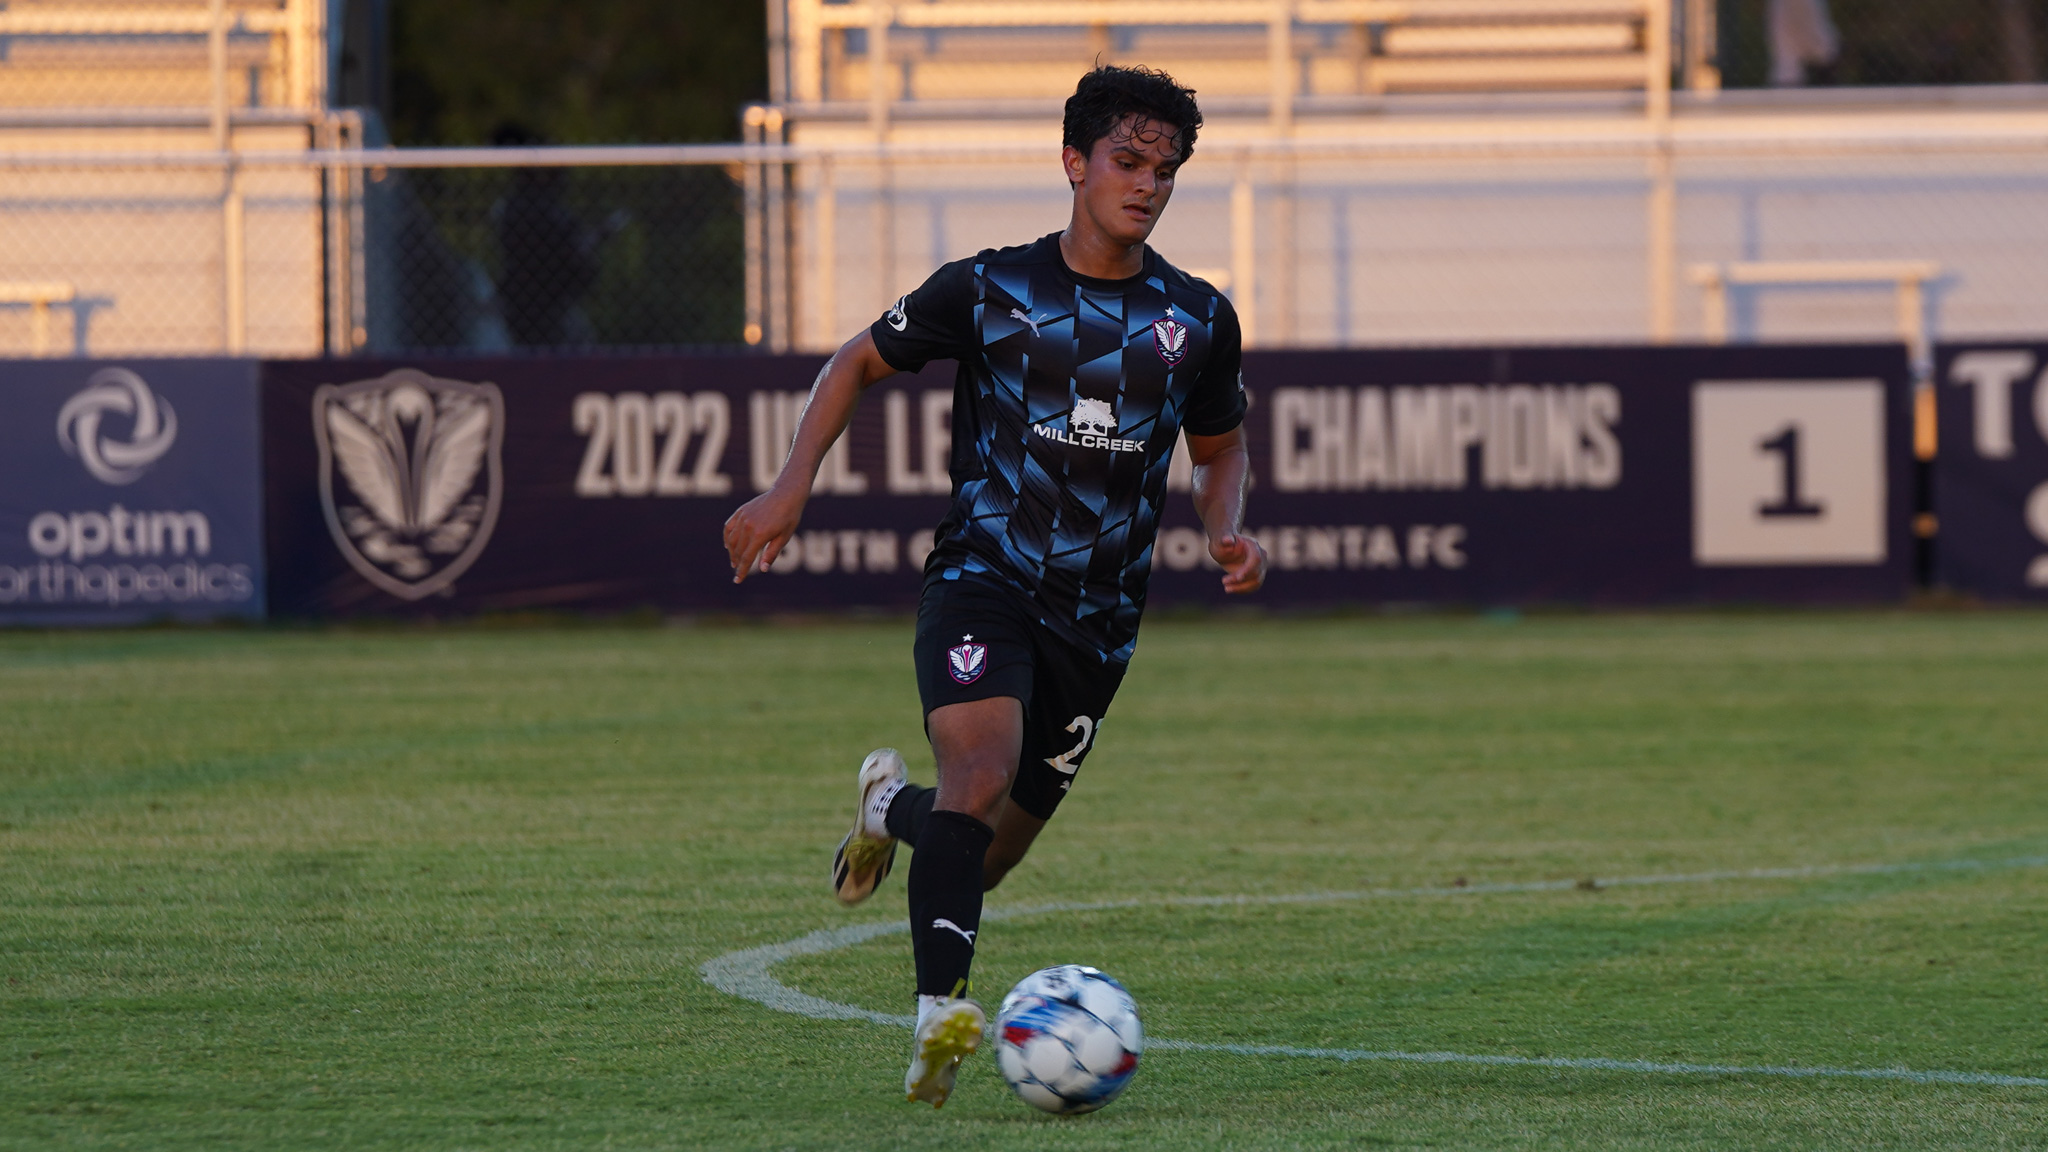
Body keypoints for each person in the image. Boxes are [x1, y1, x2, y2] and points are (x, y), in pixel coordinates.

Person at [722, 64, 1267, 1109]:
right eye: (1126, 161)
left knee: (979, 857)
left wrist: (1225, 529)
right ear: (1073, 162)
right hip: (984, 578)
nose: (1145, 184)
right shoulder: (987, 291)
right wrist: (790, 485)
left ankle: (887, 806)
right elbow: (852, 365)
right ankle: (940, 1016)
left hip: (1098, 628)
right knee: (976, 775)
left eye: (1164, 169)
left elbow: (1221, 445)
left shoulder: (1193, 319)